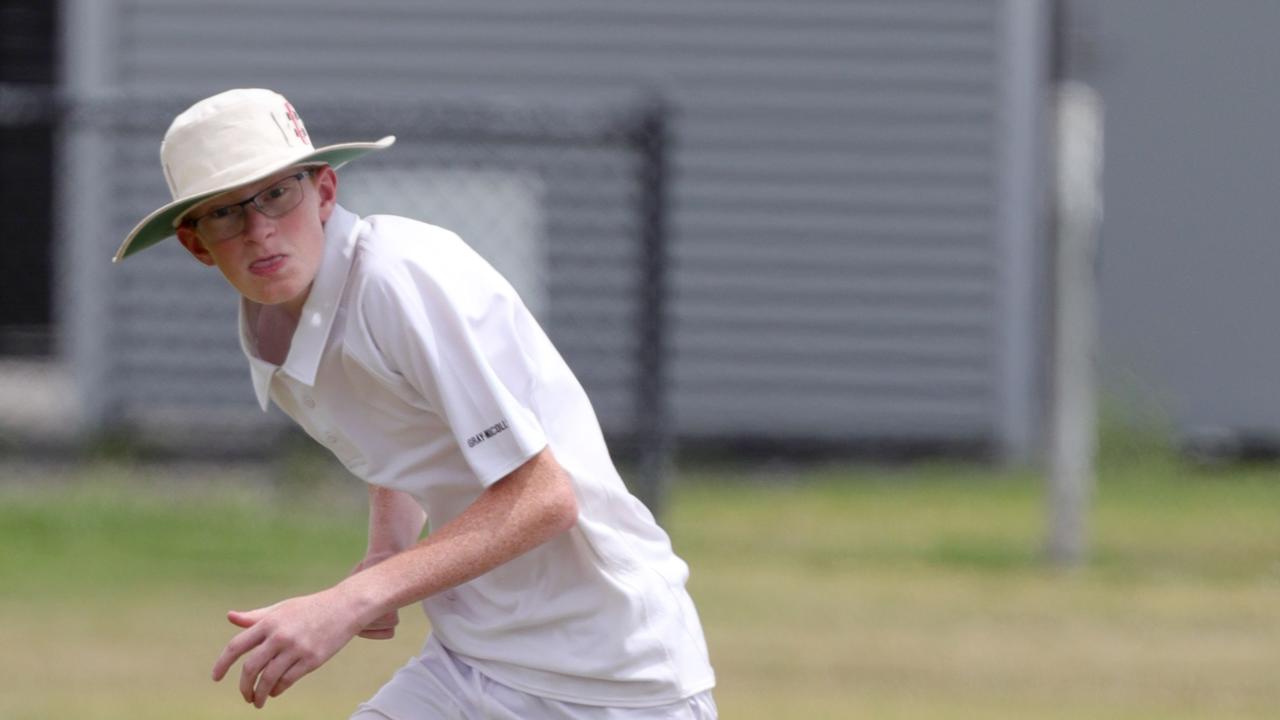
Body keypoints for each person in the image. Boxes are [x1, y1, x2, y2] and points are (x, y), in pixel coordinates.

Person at [114, 88, 716, 719]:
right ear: (196, 244)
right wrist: (386, 549)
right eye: (226, 213)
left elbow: (545, 497)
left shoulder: (399, 280)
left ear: (323, 193)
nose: (260, 229)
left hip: (614, 678)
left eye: (276, 194)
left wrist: (352, 600)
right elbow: (403, 426)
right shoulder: (270, 321)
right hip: (470, 661)